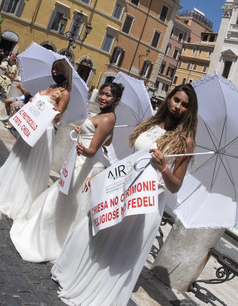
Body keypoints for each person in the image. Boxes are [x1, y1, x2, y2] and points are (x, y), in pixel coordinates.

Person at [51, 84, 199, 306]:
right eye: (176, 100)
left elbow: (175, 185)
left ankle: (99, 296)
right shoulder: (150, 124)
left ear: (189, 110)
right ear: (169, 99)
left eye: (185, 105)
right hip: (124, 188)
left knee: (118, 252)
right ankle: (77, 277)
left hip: (146, 202)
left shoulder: (185, 141)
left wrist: (163, 167)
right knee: (93, 229)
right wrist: (105, 177)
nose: (178, 107)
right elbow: (131, 162)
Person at [10, 82, 122, 263]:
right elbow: (107, 143)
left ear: (116, 100)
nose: (102, 97)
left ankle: (49, 243)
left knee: (61, 202)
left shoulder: (107, 119)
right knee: (66, 203)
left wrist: (82, 147)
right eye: (102, 93)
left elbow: (92, 150)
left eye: (108, 95)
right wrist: (83, 132)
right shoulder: (109, 117)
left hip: (85, 165)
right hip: (84, 162)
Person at [0, 59, 72, 221]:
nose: (54, 73)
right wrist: (34, 101)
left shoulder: (65, 93)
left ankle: (20, 199)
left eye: (58, 70)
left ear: (64, 72)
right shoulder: (51, 87)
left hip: (43, 133)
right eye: (53, 70)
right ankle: (7, 191)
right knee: (18, 160)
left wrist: (50, 110)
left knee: (30, 166)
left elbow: (57, 119)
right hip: (32, 128)